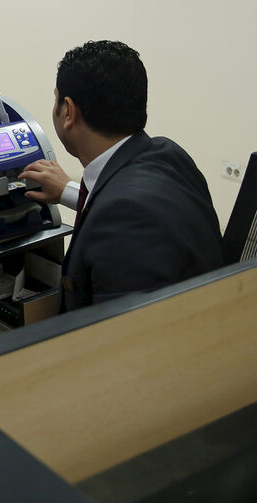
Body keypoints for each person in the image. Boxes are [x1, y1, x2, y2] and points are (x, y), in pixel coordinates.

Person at [19, 40, 223, 312]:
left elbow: (123, 332)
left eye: (56, 99)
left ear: (68, 111)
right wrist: (69, 190)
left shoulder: (123, 218)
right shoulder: (169, 154)